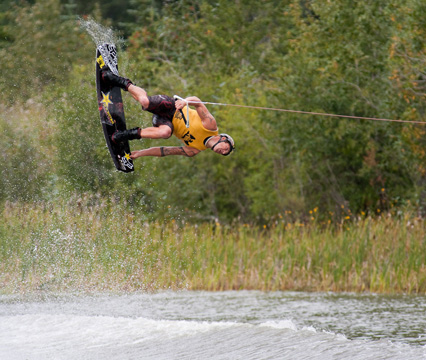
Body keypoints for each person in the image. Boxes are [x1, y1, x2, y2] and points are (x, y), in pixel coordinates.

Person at [101, 69, 235, 159]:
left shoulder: (194, 150)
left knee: (165, 133)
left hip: (165, 122)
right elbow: (198, 102)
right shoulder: (211, 126)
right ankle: (118, 80)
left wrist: (141, 153)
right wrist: (185, 102)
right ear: (223, 139)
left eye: (225, 153)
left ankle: (124, 135)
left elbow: (165, 151)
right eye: (225, 148)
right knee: (144, 101)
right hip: (171, 106)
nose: (223, 152)